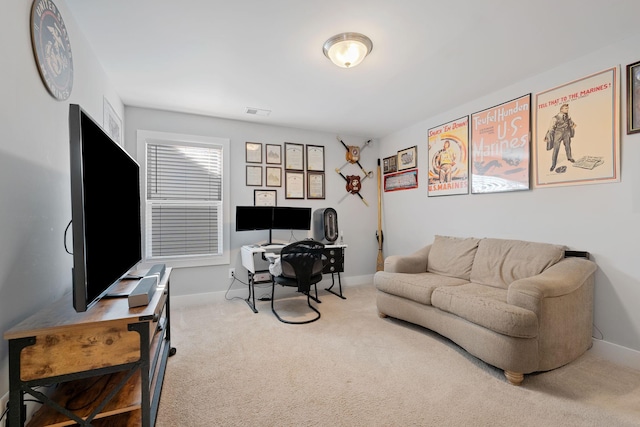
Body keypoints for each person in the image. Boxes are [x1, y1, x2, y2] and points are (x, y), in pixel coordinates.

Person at [545, 103, 577, 172]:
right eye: (566, 108)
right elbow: (551, 128)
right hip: (558, 134)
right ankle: (553, 164)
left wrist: (571, 127)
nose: (567, 110)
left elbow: (572, 124)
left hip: (566, 134)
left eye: (567, 108)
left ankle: (569, 157)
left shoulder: (568, 116)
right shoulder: (555, 118)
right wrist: (548, 136)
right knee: (556, 149)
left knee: (568, 146)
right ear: (561, 109)